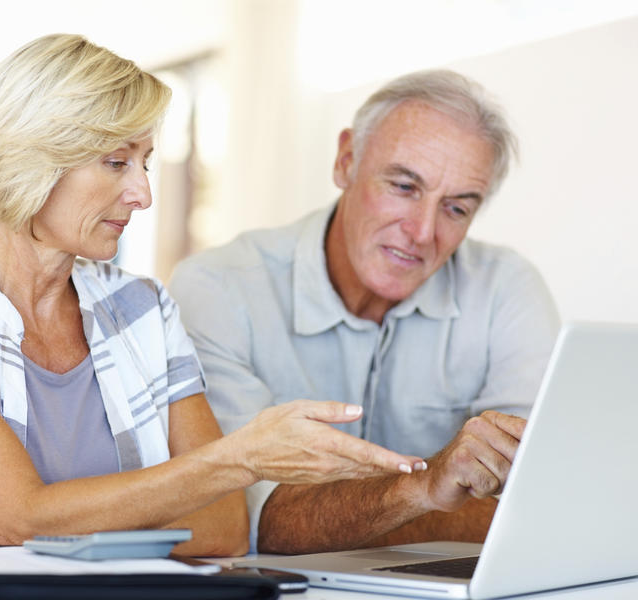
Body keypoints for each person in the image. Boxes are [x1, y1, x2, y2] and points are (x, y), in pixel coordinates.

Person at [0, 34, 426, 556]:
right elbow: (20, 512)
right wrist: (235, 459)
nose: (143, 193)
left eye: (145, 163)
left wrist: (36, 529)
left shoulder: (143, 308)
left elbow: (223, 527)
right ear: (29, 160)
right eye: (116, 162)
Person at [169, 69, 560, 554]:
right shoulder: (219, 288)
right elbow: (251, 519)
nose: (421, 232)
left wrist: (344, 513)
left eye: (456, 208)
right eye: (403, 186)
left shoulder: (507, 288)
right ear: (346, 160)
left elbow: (543, 507)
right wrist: (427, 490)